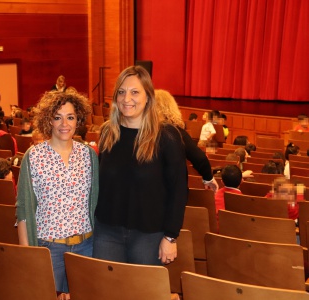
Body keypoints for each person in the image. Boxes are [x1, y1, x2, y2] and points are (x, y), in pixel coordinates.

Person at [93, 66, 188, 267]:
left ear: (148, 97)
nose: (127, 98)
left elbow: (178, 190)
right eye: (121, 92)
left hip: (150, 236)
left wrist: (170, 237)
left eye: (134, 92)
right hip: (107, 233)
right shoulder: (107, 134)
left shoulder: (167, 136)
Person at [16, 90, 98, 293]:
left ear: (77, 120)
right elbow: (23, 209)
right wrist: (27, 255)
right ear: (49, 121)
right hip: (49, 248)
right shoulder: (34, 156)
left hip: (85, 247)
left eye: (70, 117)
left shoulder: (88, 155)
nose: (64, 124)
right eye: (57, 117)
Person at [155, 89, 218, 191]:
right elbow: (200, 158)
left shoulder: (140, 131)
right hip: (171, 190)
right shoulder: (177, 133)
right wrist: (208, 179)